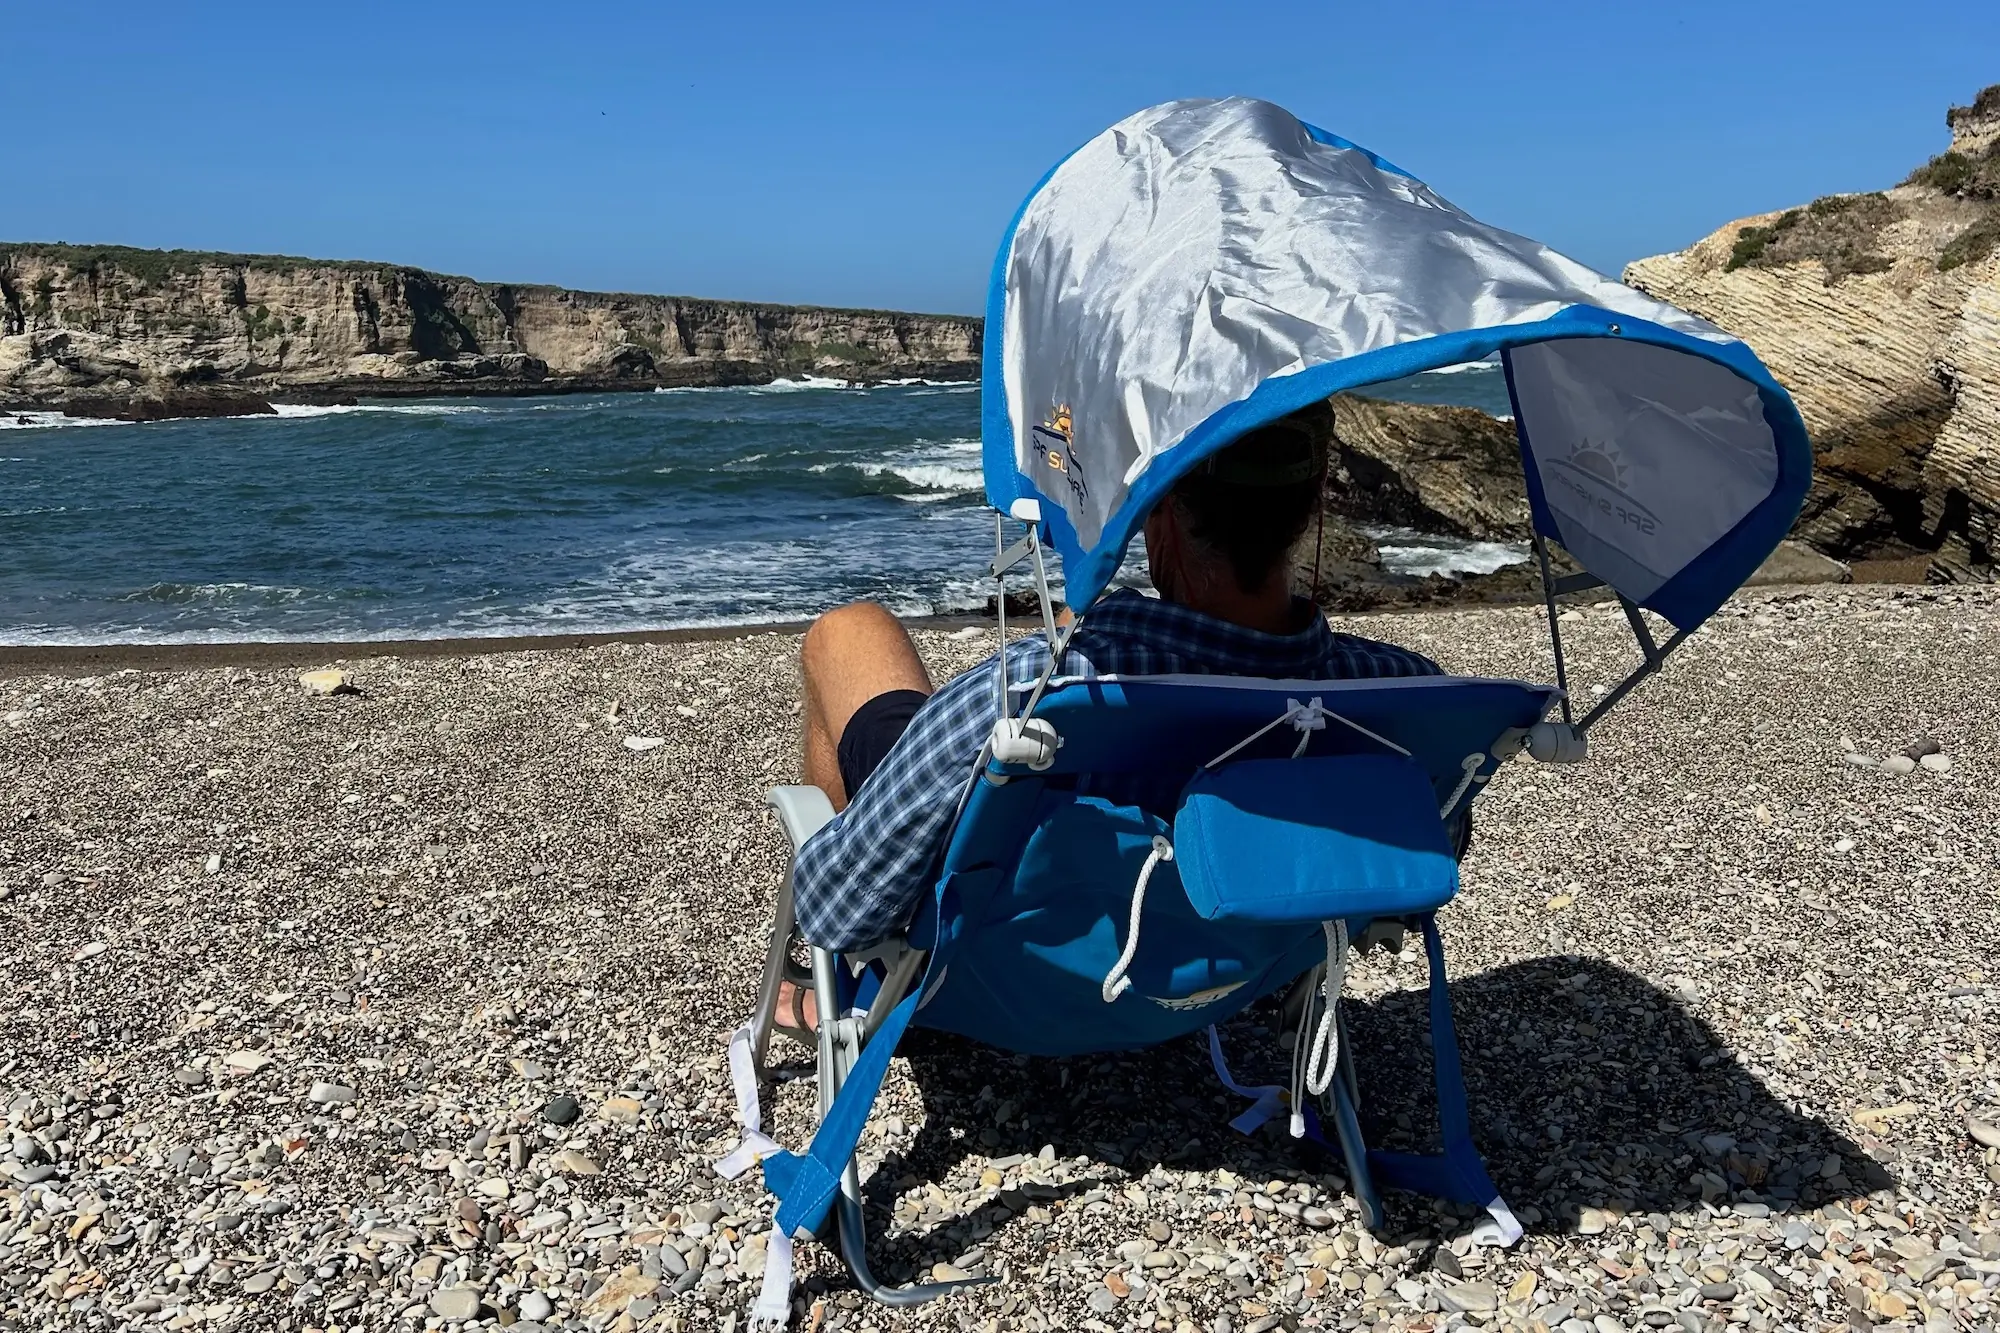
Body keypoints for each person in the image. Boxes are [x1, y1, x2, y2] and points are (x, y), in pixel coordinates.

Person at [777, 407, 1448, 1030]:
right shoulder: (1404, 699)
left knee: (847, 632)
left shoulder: (1028, 701)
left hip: (1002, 976)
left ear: (1157, 519)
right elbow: (1405, 891)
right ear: (1312, 504)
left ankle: (835, 994)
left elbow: (839, 907)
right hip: (1237, 958)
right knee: (1069, 633)